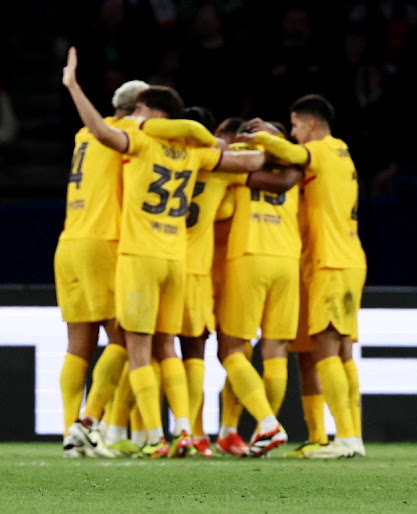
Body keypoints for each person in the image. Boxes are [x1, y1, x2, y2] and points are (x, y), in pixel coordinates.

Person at [61, 46, 269, 458]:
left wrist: (72, 85)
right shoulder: (193, 149)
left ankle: (110, 431)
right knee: (161, 346)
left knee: (105, 344)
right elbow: (251, 162)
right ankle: (180, 431)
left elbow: (105, 133)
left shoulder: (111, 137)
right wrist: (260, 141)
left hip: (110, 247)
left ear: (150, 113)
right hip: (169, 256)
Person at [244, 93, 367, 459]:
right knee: (339, 351)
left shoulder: (323, 150)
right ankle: (346, 436)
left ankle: (345, 438)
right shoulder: (342, 151)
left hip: (330, 261)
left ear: (310, 124)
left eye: (295, 125)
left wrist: (264, 134)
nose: (294, 133)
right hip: (347, 259)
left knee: (326, 349)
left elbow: (296, 155)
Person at [55, 78, 149, 458]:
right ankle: (90, 424)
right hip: (104, 242)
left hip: (70, 242)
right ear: (140, 108)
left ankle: (69, 433)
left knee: (78, 344)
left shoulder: (83, 134)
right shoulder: (128, 129)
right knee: (125, 338)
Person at [213, 120, 303, 457]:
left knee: (232, 349)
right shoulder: (294, 163)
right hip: (287, 259)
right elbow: (288, 178)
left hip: (248, 255)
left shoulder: (240, 157)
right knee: (275, 351)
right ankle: (248, 431)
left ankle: (266, 423)